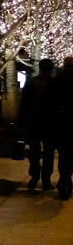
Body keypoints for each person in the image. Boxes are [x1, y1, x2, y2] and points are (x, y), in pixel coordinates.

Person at [20, 58, 56, 190]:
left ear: (40, 67)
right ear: (51, 68)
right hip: (50, 123)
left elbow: (24, 104)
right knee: (49, 152)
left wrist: (22, 122)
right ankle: (46, 179)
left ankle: (35, 175)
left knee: (34, 151)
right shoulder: (55, 84)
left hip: (33, 121)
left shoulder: (31, 82)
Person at [53, 57, 73, 200]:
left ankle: (64, 180)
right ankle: (67, 181)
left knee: (64, 154)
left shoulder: (56, 81)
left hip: (62, 124)